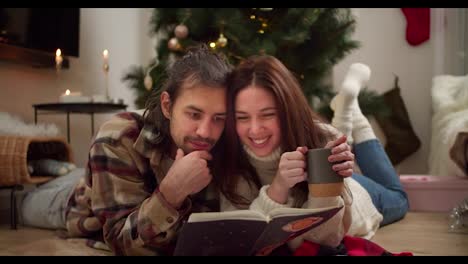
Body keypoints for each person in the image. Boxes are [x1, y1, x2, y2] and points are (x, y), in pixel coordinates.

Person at [20, 45, 232, 255]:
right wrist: (171, 193)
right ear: (167, 106)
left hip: (114, 179)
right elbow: (120, 241)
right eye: (194, 115)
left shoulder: (225, 140)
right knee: (23, 206)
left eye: (218, 118)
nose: (205, 132)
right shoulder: (118, 137)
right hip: (69, 202)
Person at [218, 55, 409, 254]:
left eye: (268, 114)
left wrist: (326, 182)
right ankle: (348, 113)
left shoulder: (319, 137)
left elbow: (325, 238)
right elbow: (241, 240)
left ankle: (354, 116)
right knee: (334, 145)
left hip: (358, 200)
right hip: (338, 173)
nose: (255, 129)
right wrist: (278, 187)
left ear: (287, 111)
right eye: (242, 117)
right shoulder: (230, 155)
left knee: (399, 198)